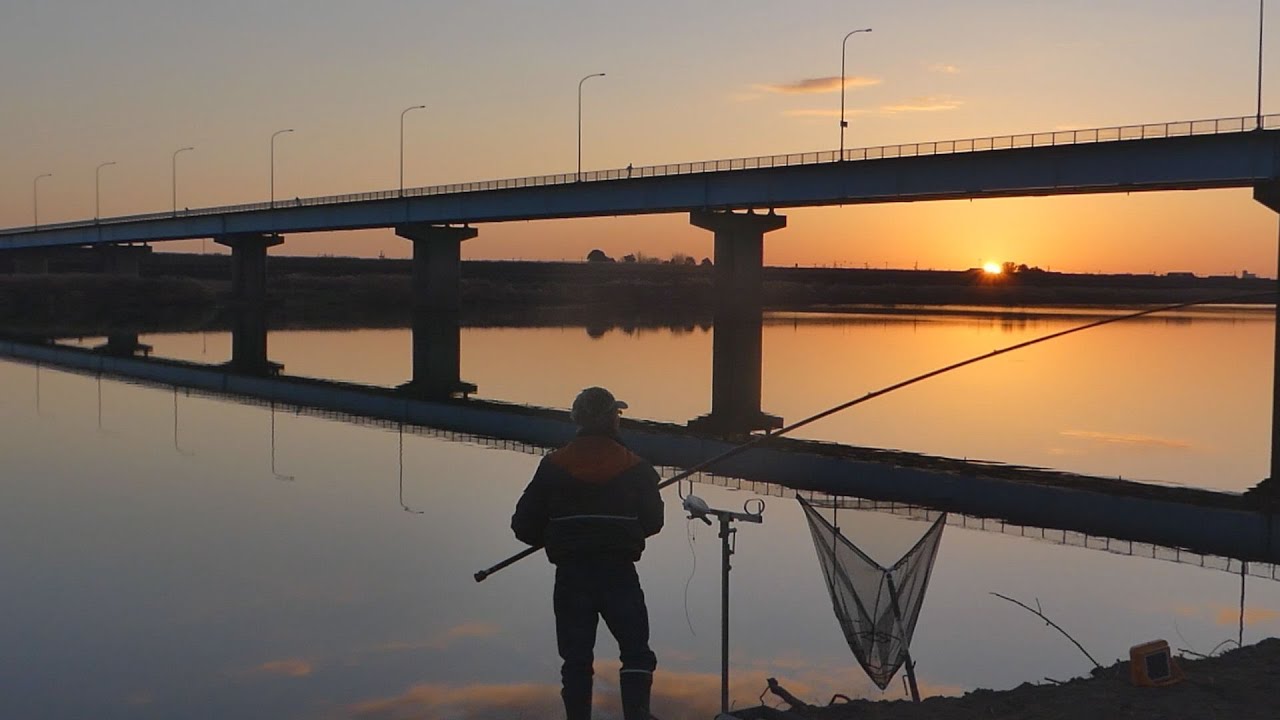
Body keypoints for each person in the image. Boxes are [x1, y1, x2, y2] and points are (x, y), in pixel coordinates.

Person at [512, 386, 664, 720]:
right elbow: (654, 522)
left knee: (576, 661)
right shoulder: (636, 466)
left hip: (572, 576)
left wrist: (556, 535)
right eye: (617, 415)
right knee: (636, 653)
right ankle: (637, 715)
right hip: (619, 574)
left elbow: (523, 526)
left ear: (577, 421)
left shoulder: (553, 465)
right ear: (612, 419)